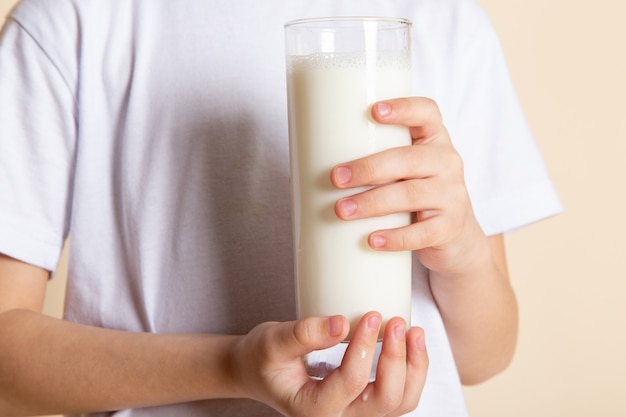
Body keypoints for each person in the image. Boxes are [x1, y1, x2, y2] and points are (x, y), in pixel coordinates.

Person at [0, 0, 562, 416]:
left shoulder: (445, 17)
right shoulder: (74, 17)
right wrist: (234, 367)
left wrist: (463, 255)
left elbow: (484, 355)